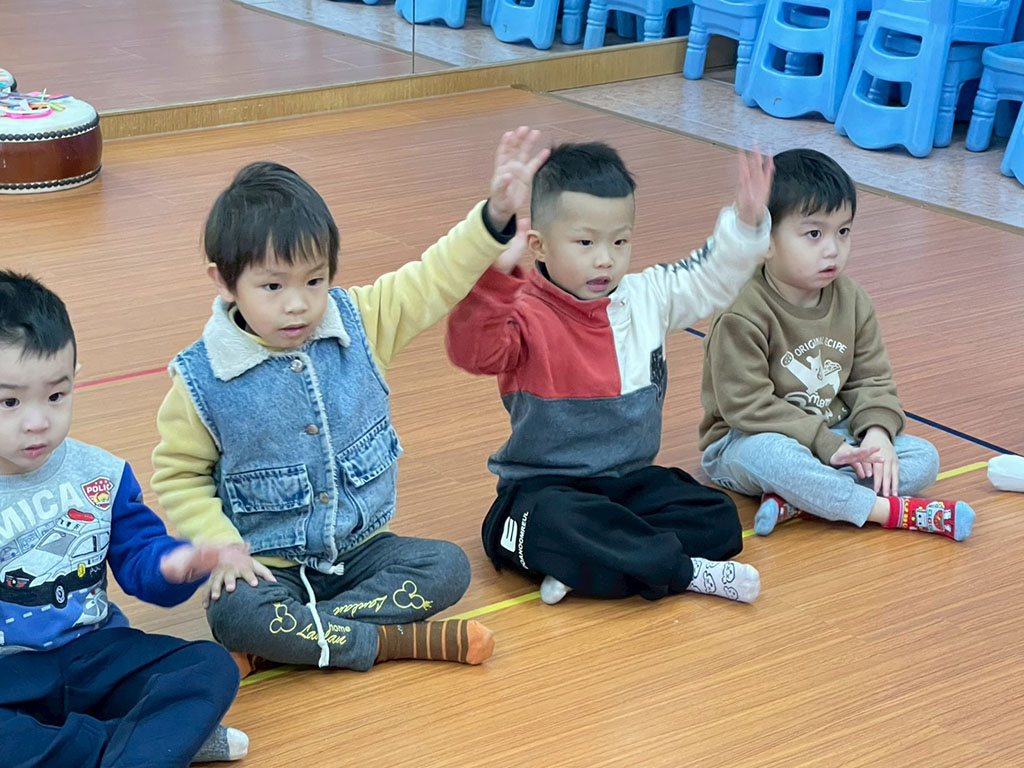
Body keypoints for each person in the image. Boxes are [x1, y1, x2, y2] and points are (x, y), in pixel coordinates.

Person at [151, 127, 549, 673]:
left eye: (314, 281)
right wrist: (222, 546)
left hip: (361, 554)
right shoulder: (200, 378)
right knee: (236, 611)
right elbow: (180, 476)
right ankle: (394, 641)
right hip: (270, 568)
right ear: (224, 282)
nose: (298, 304)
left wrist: (494, 215)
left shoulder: (360, 321)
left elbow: (433, 277)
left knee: (447, 567)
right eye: (273, 287)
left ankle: (296, 638)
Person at [446, 142, 773, 606]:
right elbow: (472, 352)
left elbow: (710, 277)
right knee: (549, 525)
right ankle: (678, 571)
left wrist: (746, 225)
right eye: (586, 243)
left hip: (629, 485)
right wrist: (495, 279)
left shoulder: (649, 295)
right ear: (538, 245)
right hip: (545, 491)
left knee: (716, 516)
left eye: (620, 242)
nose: (605, 259)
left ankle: (593, 565)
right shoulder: (521, 312)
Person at [0, 271, 247, 767]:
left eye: (56, 396)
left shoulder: (103, 475)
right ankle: (144, 744)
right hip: (10, 680)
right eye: (9, 401)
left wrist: (176, 564)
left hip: (97, 655)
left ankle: (111, 747)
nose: (38, 422)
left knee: (210, 667)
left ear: (75, 378)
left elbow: (140, 560)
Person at [699, 148, 974, 541]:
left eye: (843, 232)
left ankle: (801, 499)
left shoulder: (853, 300)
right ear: (766, 242)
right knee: (776, 458)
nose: (832, 249)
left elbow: (872, 380)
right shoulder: (741, 312)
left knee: (922, 458)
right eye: (814, 234)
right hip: (745, 440)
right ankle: (887, 512)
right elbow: (747, 405)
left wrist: (877, 432)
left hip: (834, 434)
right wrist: (824, 444)